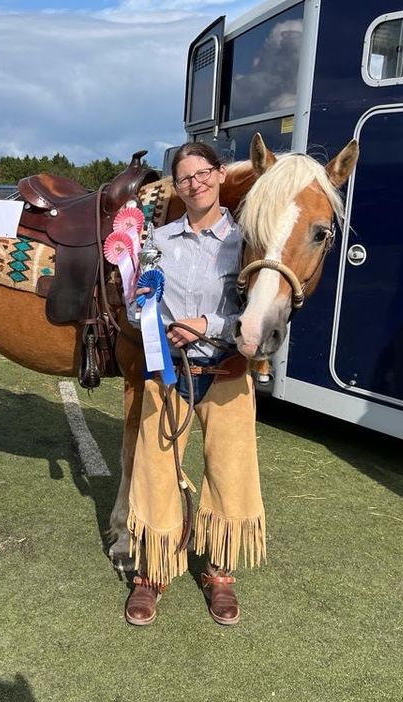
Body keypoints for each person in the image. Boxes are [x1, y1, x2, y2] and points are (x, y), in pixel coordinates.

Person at [124, 142, 264, 626]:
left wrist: (208, 325)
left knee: (230, 473)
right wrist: (155, 325)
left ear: (221, 174)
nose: (195, 184)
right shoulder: (157, 241)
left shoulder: (248, 241)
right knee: (155, 472)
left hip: (225, 374)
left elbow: (257, 316)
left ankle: (219, 573)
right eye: (184, 179)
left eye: (203, 173)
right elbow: (135, 308)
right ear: (176, 186)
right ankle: (153, 572)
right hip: (167, 375)